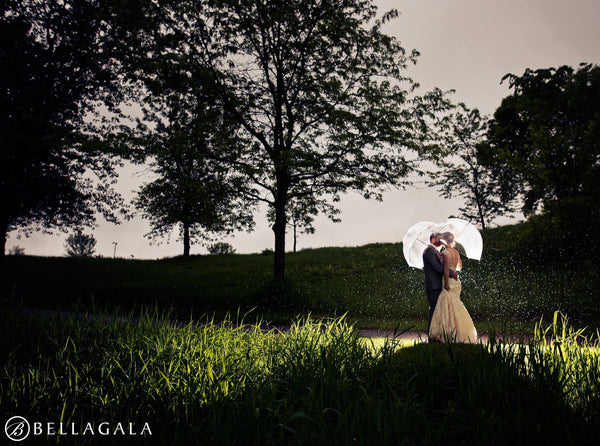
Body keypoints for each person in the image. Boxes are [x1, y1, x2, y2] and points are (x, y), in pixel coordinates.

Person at [428, 232, 477, 343]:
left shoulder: (445, 252)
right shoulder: (455, 252)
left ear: (445, 241)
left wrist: (445, 283)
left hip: (448, 280)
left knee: (446, 304)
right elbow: (459, 267)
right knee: (455, 304)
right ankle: (459, 332)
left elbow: (445, 269)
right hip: (456, 281)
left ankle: (449, 333)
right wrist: (443, 258)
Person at [422, 232, 457, 336]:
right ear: (432, 239)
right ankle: (431, 334)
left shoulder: (437, 250)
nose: (440, 240)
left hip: (439, 284)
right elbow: (437, 266)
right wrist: (451, 273)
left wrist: (443, 249)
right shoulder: (429, 250)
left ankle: (439, 333)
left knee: (440, 310)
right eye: (438, 238)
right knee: (434, 309)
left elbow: (445, 258)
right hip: (433, 285)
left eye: (442, 238)